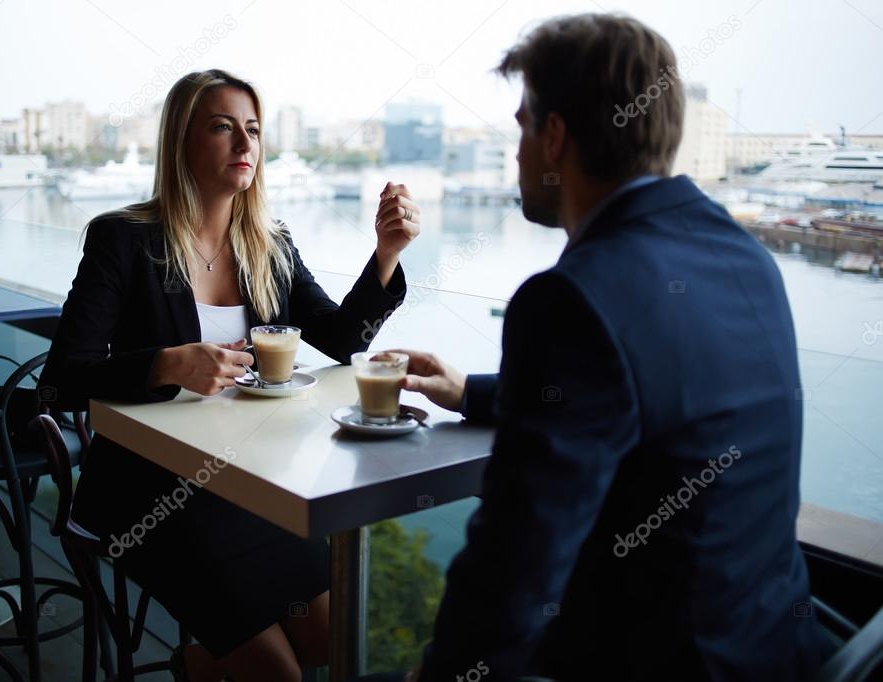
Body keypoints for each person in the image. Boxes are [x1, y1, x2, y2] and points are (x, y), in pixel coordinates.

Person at [367, 13, 823, 682]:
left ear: (554, 138)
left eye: (521, 125)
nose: (514, 150)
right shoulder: (744, 255)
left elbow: (512, 572)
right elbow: (639, 401)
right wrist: (472, 392)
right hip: (777, 650)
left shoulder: (571, 298)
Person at [40, 69, 420, 682]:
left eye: (253, 130)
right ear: (181, 143)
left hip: (251, 481)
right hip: (150, 493)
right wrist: (166, 364)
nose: (245, 145)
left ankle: (193, 667)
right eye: (222, 128)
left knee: (332, 636)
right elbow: (60, 380)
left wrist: (386, 256)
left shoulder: (270, 244)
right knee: (281, 676)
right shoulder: (122, 240)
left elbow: (344, 340)